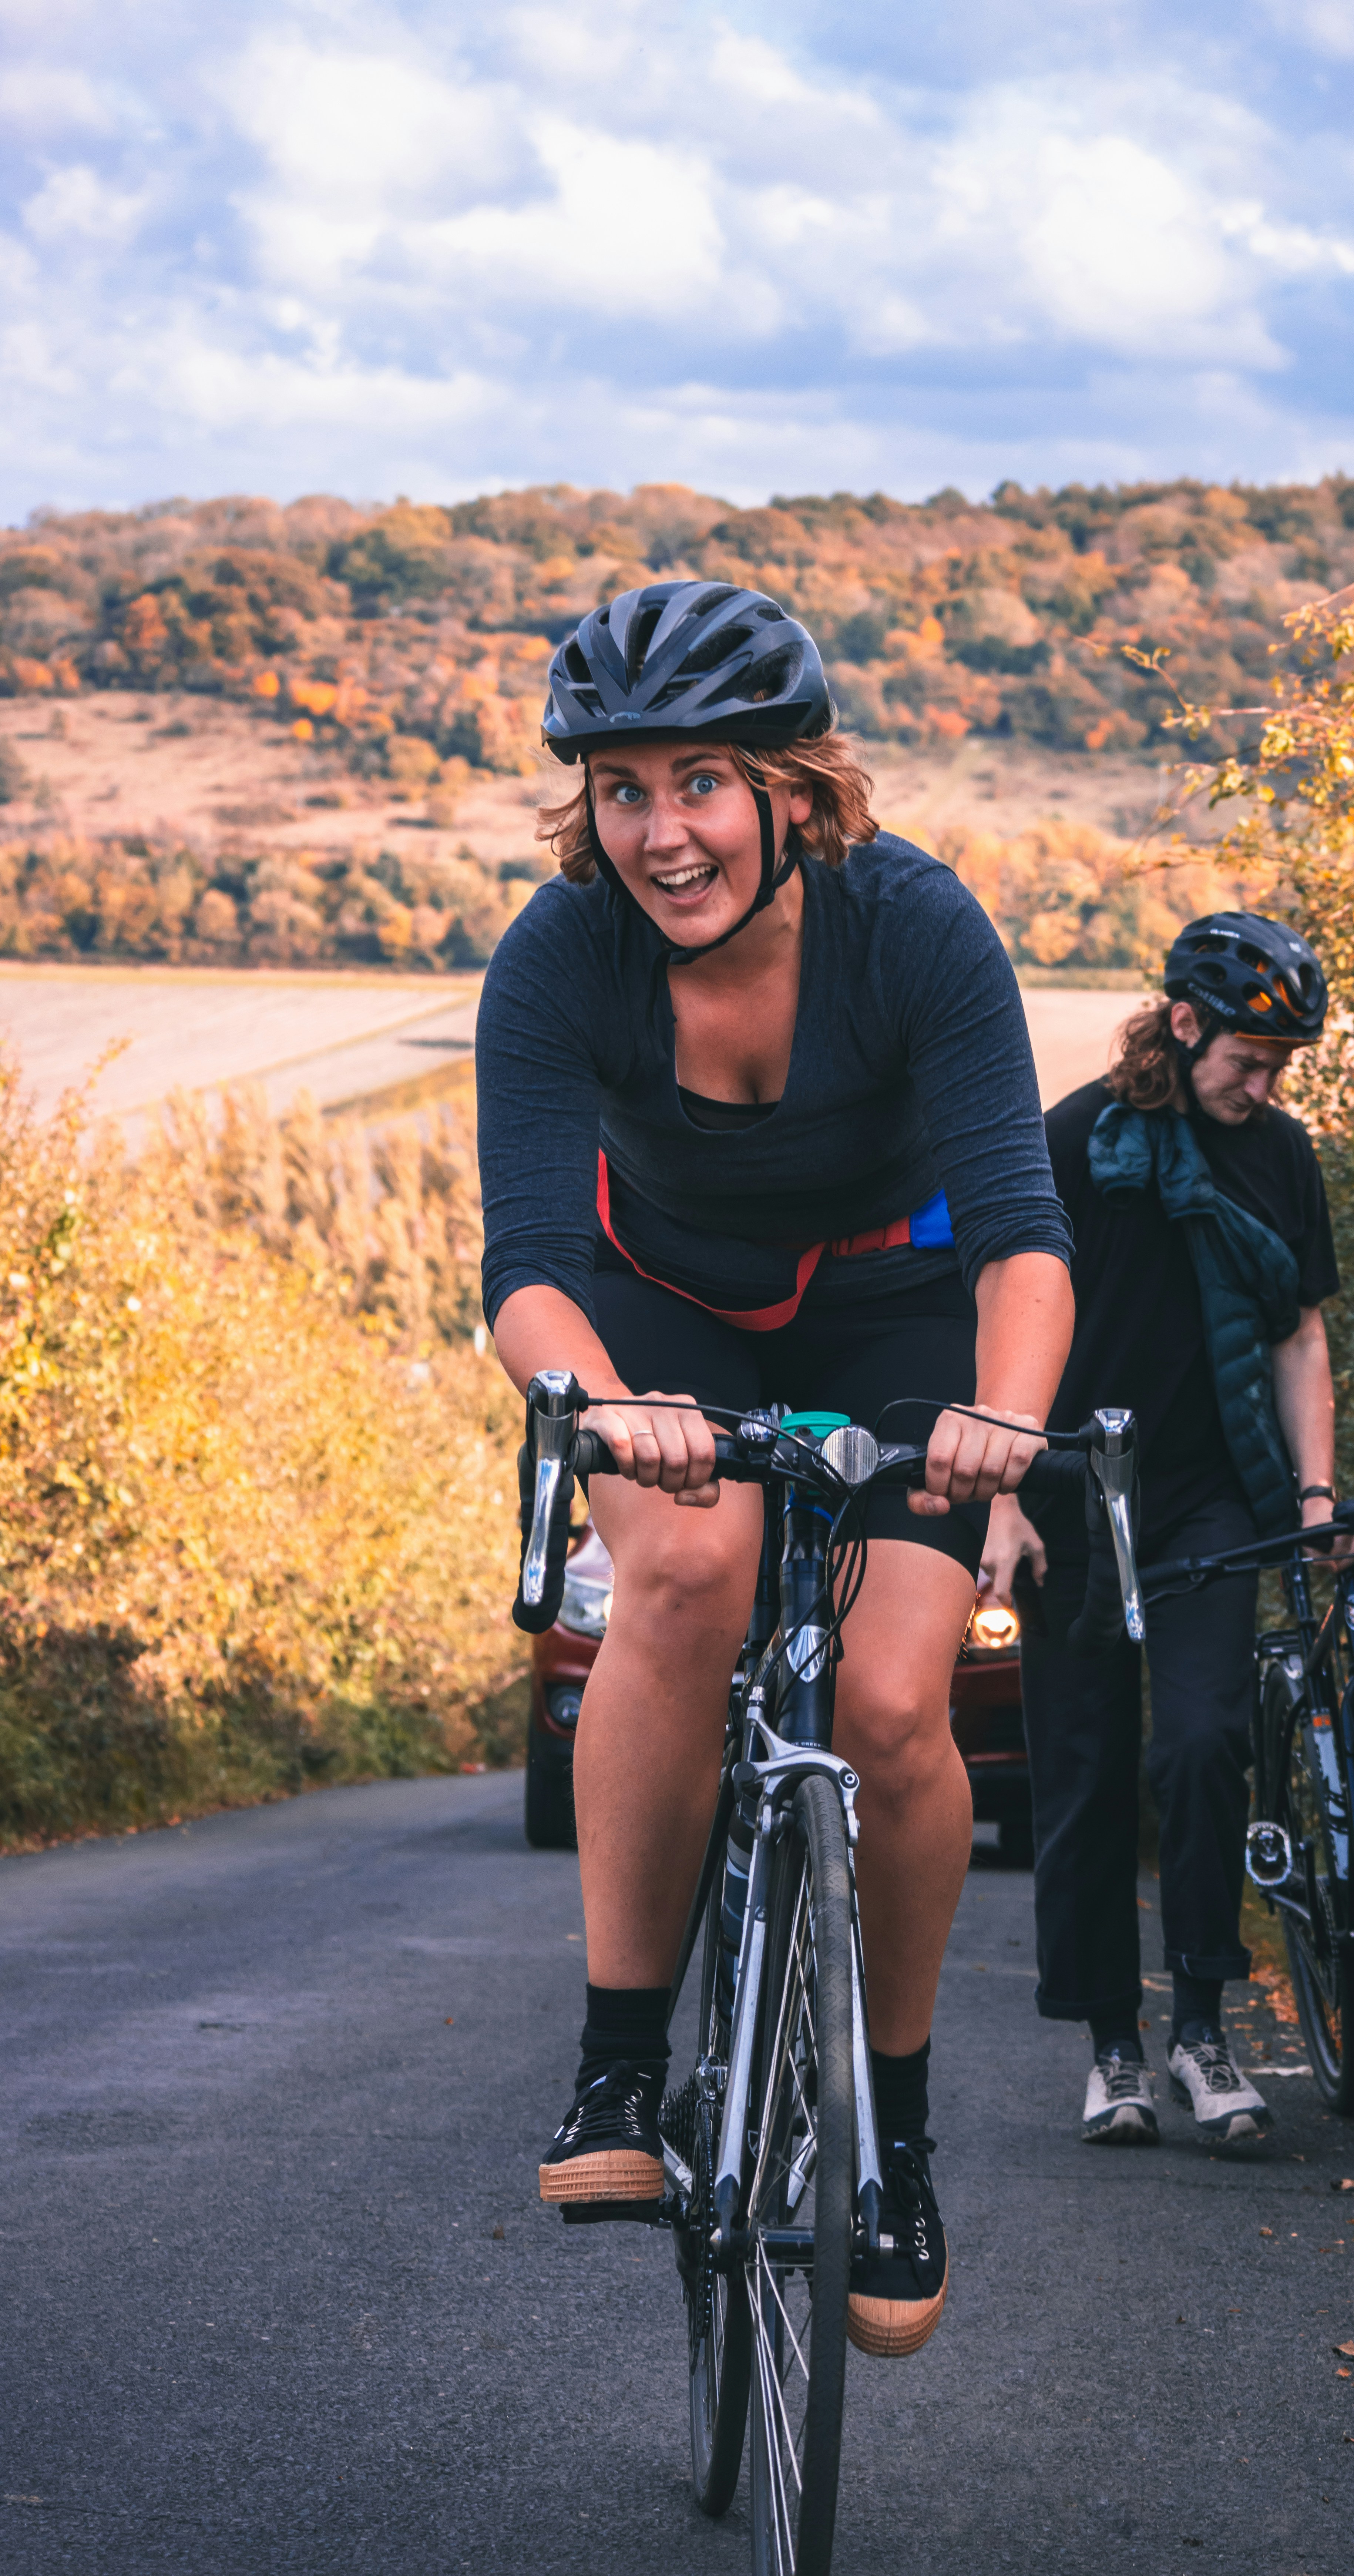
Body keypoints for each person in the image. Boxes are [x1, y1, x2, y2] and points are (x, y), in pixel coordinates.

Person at [476, 579, 1074, 2355]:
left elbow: (1022, 1234)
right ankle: (617, 2072)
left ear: (793, 790)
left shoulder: (913, 930)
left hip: (899, 1322)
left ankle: (889, 2132)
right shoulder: (560, 956)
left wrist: (1007, 1419)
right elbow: (521, 1259)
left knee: (898, 1704)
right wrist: (595, 1403)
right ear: (585, 810)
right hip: (667, 1323)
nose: (663, 832)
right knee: (679, 1571)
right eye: (623, 789)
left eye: (702, 783)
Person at [982, 915, 1341, 2148]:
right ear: (1184, 1026)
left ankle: (1200, 2026)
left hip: (1208, 1497)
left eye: (1282, 1063)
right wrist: (1005, 1498)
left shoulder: (1281, 1155)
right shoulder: (1077, 1142)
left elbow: (1298, 1333)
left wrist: (1315, 1495)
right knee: (1082, 1774)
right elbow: (1000, 1314)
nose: (1265, 1081)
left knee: (1200, 1746)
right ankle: (1112, 2051)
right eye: (1250, 1055)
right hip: (1074, 1493)